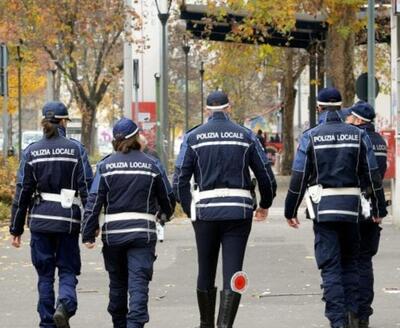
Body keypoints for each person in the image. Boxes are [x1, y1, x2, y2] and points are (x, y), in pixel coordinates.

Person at [284, 88, 387, 328]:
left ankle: (337, 322)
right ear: (341, 107)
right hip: (351, 211)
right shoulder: (357, 135)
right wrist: (379, 208)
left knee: (330, 267)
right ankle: (353, 315)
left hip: (323, 212)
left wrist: (291, 210)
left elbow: (299, 177)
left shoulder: (311, 136)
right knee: (351, 263)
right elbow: (372, 176)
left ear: (318, 108)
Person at [173, 91, 277, 328]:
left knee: (205, 268)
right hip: (238, 211)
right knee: (234, 271)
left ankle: (206, 324)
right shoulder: (246, 135)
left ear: (207, 110)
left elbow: (179, 179)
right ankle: (224, 325)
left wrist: (191, 210)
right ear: (229, 108)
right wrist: (264, 205)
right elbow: (265, 176)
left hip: (206, 211)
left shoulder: (193, 137)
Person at [82, 117, 175, 328]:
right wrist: (164, 214)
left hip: (114, 236)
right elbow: (168, 197)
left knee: (117, 285)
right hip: (143, 235)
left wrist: (88, 233)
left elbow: (94, 200)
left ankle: (119, 324)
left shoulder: (106, 166)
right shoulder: (152, 164)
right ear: (136, 137)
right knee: (138, 287)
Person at [10, 101, 93, 328]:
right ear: (64, 121)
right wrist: (90, 227)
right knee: (67, 269)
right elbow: (87, 188)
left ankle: (47, 323)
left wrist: (15, 229)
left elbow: (22, 192)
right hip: (67, 222)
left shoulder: (31, 151)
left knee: (45, 276)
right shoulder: (76, 150)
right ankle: (64, 306)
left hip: (40, 221)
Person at [344, 101, 387, 328]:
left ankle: (352, 311)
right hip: (374, 206)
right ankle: (364, 314)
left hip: (355, 205)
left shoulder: (356, 138)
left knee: (350, 261)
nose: (347, 119)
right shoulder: (379, 140)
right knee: (365, 262)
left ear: (359, 120)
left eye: (350, 117)